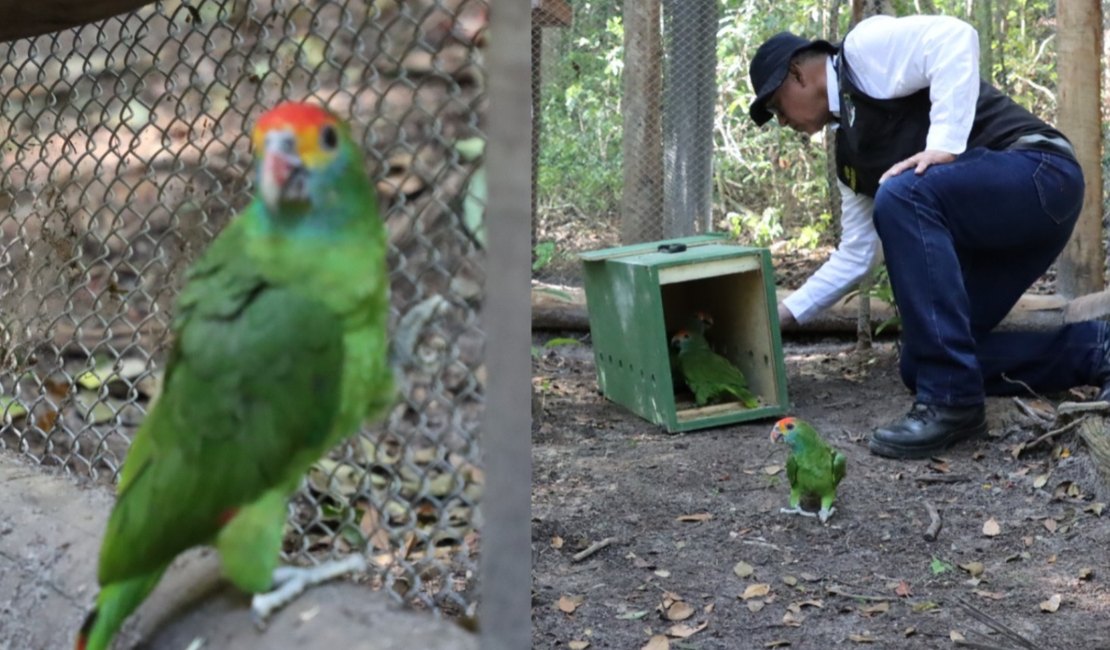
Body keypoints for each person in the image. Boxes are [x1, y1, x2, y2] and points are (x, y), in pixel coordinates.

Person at [748, 14, 1104, 460]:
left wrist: (945, 144)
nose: (782, 122)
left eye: (778, 107)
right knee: (923, 359)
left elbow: (955, 37)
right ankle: (1096, 350)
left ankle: (951, 403)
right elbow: (856, 256)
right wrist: (785, 314)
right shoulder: (849, 160)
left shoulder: (863, 52)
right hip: (1001, 234)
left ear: (797, 73)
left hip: (1039, 174)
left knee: (901, 193)